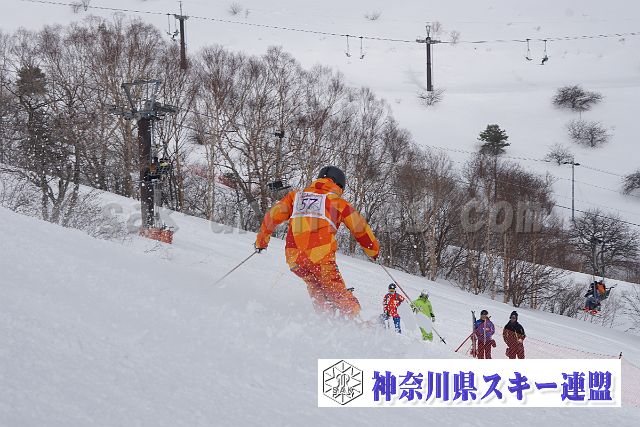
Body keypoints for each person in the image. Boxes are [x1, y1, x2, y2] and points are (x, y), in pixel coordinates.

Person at [254, 166, 379, 319]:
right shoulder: (337, 202)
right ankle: (361, 323)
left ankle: (325, 320)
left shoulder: (296, 197)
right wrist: (373, 250)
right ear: (339, 185)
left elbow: (271, 216)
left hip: (294, 258)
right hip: (320, 256)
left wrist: (261, 242)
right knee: (336, 290)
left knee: (316, 287)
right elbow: (360, 228)